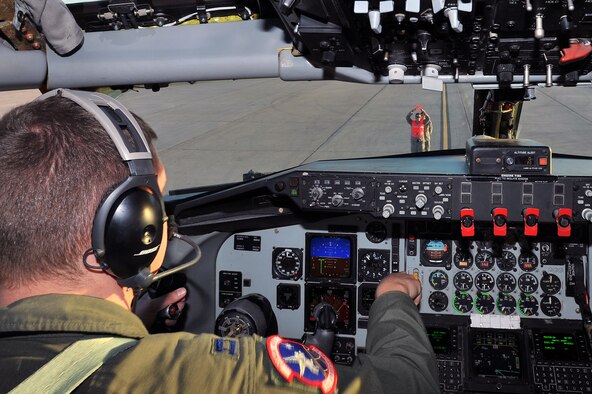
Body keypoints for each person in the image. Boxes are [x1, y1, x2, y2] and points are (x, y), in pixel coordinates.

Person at [0, 90, 439, 393]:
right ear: (130, 231)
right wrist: (393, 299)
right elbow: (408, 384)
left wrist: (133, 320)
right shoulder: (213, 377)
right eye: (161, 210)